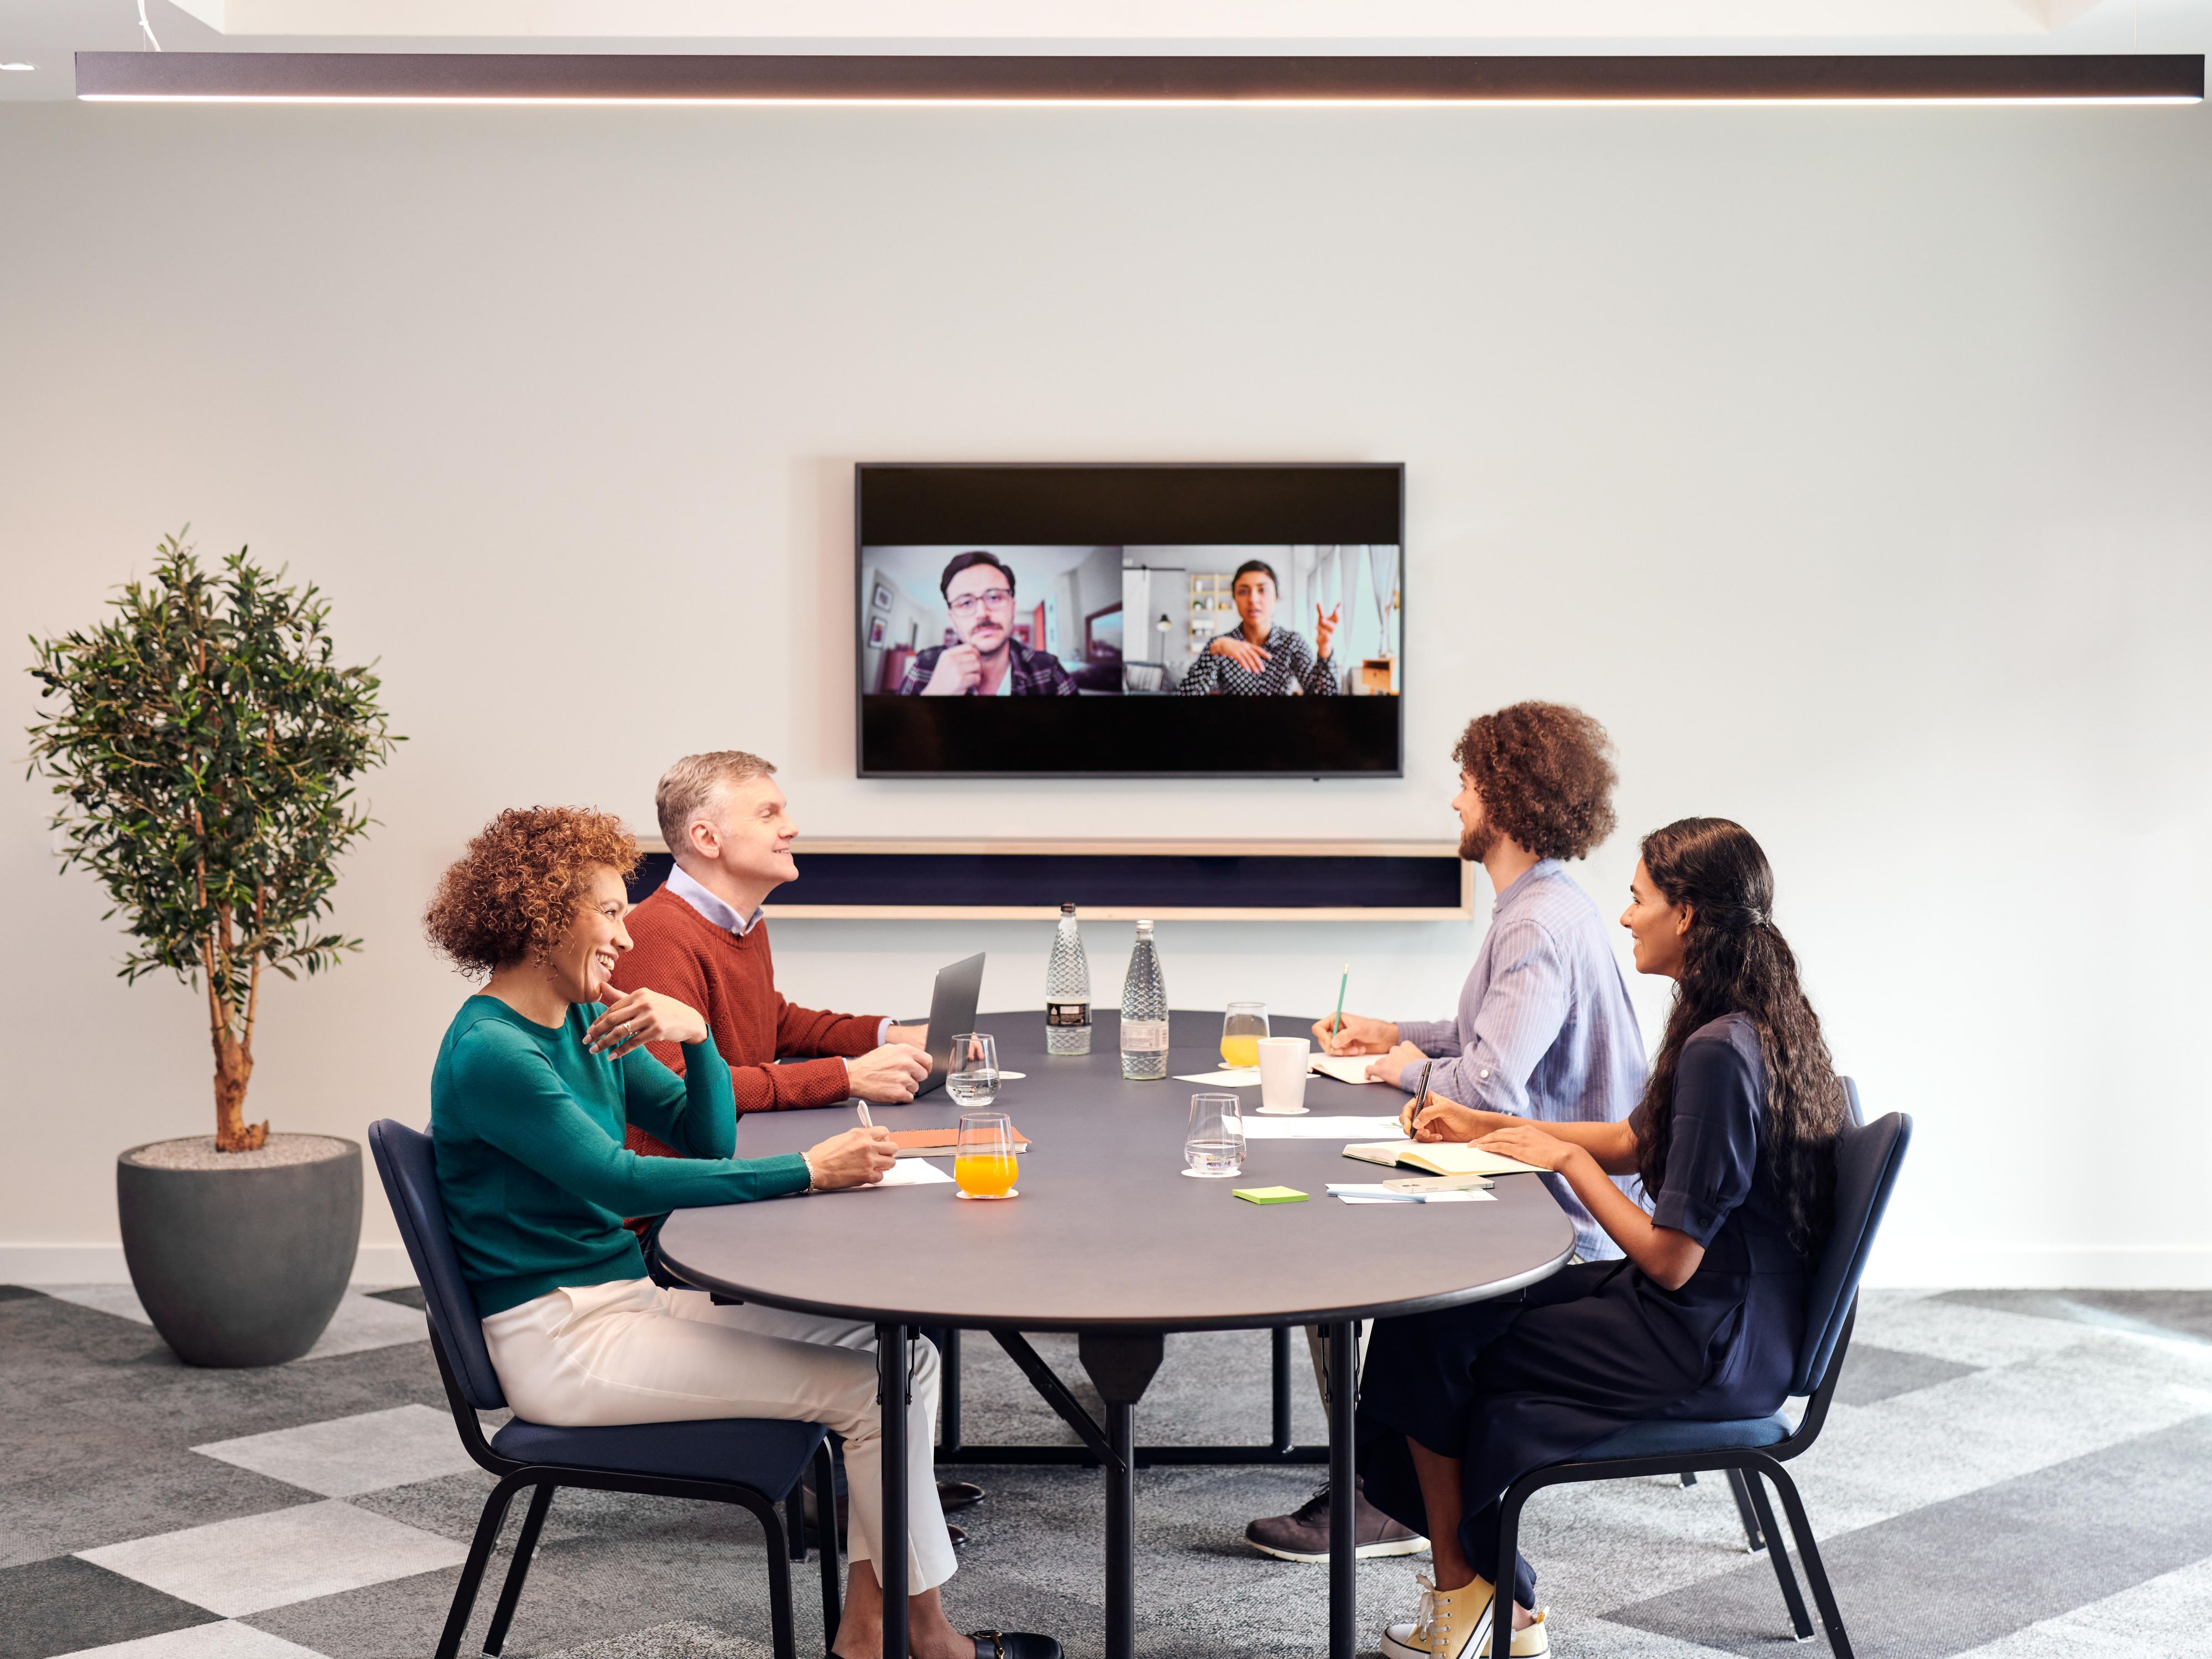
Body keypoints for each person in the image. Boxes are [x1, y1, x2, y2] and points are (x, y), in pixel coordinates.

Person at [423, 807, 1057, 1659]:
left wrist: (699, 1040)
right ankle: (924, 1638)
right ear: (542, 919)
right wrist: (808, 1170)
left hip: (624, 1305)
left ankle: (875, 1635)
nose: (623, 934)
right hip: (563, 1345)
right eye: (608, 912)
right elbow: (621, 1178)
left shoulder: (583, 1019)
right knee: (874, 1392)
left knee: (906, 1357)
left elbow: (703, 1136)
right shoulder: (494, 1052)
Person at [1355, 817, 1849, 1658]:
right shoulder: (1741, 1021)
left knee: (1431, 1333)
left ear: (1686, 914)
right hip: (1719, 1316)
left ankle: (1470, 1605)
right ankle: (1489, 1600)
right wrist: (1494, 1125)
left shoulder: (1721, 1052)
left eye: (1638, 897)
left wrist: (1564, 1165)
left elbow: (1669, 1256)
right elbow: (1633, 1140)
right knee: (1446, 1323)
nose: (1625, 918)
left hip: (1700, 1340)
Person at [1244, 701, 1646, 1565]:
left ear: (1505, 797)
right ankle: (1381, 1492)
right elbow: (1483, 1038)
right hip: (1533, 1187)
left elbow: (1488, 1084)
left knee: (1409, 1297)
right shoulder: (1541, 907)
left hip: (1559, 1221)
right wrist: (1397, 1033)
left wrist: (1395, 1069)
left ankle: (1385, 1503)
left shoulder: (1536, 923)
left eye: (1466, 786)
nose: (1455, 803)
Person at [609, 750, 987, 1531]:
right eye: (770, 814)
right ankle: (869, 1473)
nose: (792, 827)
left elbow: (774, 1025)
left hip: (726, 1184)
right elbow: (686, 1091)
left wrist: (891, 1032)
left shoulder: (737, 924)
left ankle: (885, 1470)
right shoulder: (657, 936)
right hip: (683, 1220)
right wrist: (846, 1075)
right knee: (885, 1249)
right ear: (708, 838)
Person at [898, 551, 1078, 696]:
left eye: (994, 597)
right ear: (952, 620)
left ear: (1013, 608)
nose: (983, 613)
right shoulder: (924, 667)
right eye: (966, 602)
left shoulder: (1048, 670)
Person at [1174, 558, 1340, 696]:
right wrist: (1213, 651)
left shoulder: (1292, 642)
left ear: (1276, 597)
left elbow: (1325, 698)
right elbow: (1186, 697)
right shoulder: (1221, 646)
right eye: (1243, 592)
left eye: (1263, 590)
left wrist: (1325, 647)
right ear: (1235, 599)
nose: (1253, 599)